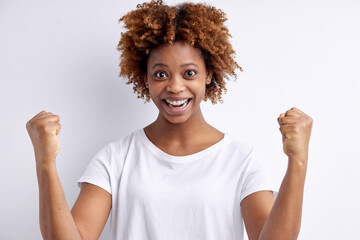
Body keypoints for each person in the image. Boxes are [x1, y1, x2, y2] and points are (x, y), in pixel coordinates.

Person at [26, 0, 313, 239]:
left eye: (189, 73)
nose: (175, 87)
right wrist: (45, 163)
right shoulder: (115, 159)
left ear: (208, 75)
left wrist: (298, 162)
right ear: (145, 79)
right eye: (161, 74)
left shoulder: (242, 160)